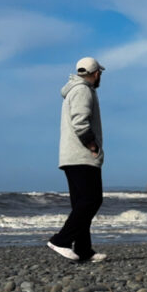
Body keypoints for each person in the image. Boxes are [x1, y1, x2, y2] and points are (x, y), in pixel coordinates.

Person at [48, 57, 107, 263]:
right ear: (96, 73)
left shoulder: (74, 90)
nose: (100, 76)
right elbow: (80, 122)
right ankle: (61, 240)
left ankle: (83, 250)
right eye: (100, 72)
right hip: (81, 155)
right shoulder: (83, 90)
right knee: (92, 200)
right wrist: (92, 146)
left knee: (81, 203)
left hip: (70, 155)